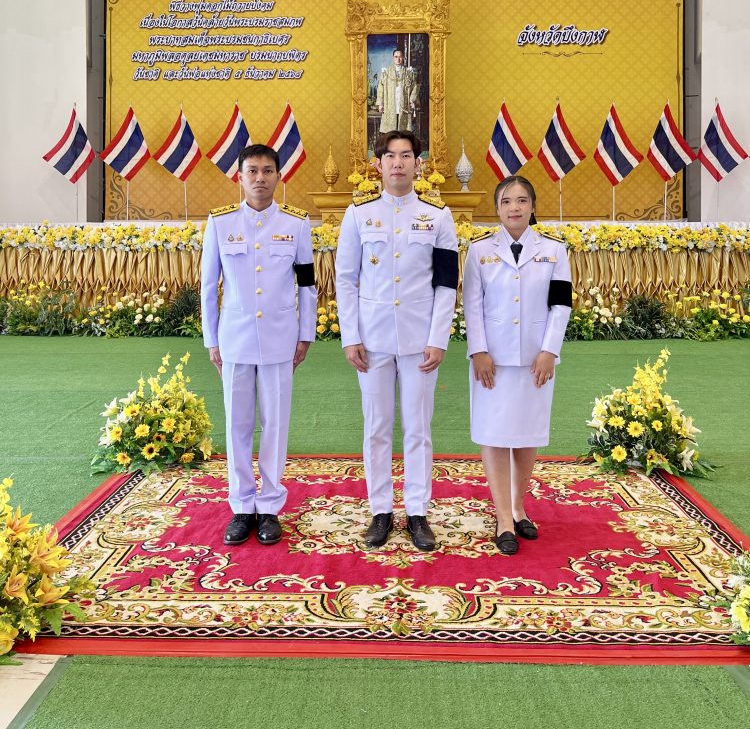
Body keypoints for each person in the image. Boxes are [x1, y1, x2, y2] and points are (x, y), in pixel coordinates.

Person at [336, 130, 458, 551]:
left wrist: (438, 337)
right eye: (390, 156)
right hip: (372, 339)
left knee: (418, 427)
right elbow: (345, 279)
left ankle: (418, 511)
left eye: (407, 156)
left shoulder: (438, 217)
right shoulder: (359, 215)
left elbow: (446, 283)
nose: (398, 163)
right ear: (378, 164)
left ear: (418, 164)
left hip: (420, 339)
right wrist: (350, 335)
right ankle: (380, 510)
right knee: (377, 426)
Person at [201, 143, 317, 548]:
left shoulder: (296, 224)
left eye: (268, 171)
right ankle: (241, 506)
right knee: (237, 424)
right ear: (240, 177)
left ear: (278, 176)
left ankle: (268, 506)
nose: (260, 178)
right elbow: (208, 286)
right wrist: (211, 339)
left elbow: (307, 284)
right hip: (234, 338)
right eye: (252, 171)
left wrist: (306, 333)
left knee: (275, 423)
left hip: (280, 338)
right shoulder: (220, 223)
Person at [462, 175, 572, 556]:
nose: (514, 207)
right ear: (497, 208)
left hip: (534, 360)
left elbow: (561, 304)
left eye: (522, 200)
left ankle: (518, 506)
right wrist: (478, 350)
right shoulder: (479, 251)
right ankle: (503, 518)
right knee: (495, 434)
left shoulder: (554, 250)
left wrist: (550, 350)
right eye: (507, 201)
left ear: (532, 207)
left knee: (526, 434)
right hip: (492, 360)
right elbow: (472, 305)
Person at [376, 48, 419, 133]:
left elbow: (415, 87)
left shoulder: (409, 73)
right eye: (396, 57)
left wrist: (412, 100)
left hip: (404, 104)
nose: (398, 59)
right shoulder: (386, 72)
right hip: (390, 105)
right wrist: (380, 104)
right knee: (390, 132)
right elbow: (380, 88)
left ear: (403, 58)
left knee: (403, 132)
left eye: (400, 57)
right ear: (393, 58)